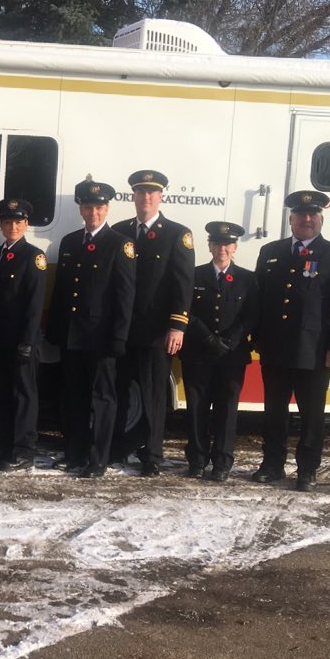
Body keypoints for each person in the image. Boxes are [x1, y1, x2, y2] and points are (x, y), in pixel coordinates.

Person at [252, 190, 330, 491]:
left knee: (311, 415)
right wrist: (257, 338)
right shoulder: (271, 252)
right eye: (300, 215)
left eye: (312, 215)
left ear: (321, 219)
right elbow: (259, 299)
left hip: (315, 351)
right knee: (274, 411)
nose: (306, 220)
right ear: (291, 219)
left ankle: (307, 470)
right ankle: (271, 464)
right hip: (274, 348)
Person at [45, 176, 135, 478]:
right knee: (75, 396)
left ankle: (99, 458)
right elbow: (61, 291)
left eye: (98, 207)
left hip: (101, 338)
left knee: (103, 399)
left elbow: (125, 296)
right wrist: (55, 327)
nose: (93, 212)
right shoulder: (70, 242)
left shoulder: (120, 245)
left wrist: (119, 336)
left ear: (106, 209)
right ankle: (75, 452)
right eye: (87, 207)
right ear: (81, 210)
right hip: (73, 335)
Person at [110, 170, 194, 475]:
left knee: (154, 394)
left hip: (156, 330)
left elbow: (183, 284)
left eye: (152, 192)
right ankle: (116, 447)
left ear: (160, 197)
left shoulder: (176, 233)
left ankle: (152, 454)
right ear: (133, 196)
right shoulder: (119, 231)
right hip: (121, 329)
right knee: (118, 389)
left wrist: (178, 325)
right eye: (140, 192)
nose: (146, 197)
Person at [180, 222, 258, 482]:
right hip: (198, 352)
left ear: (234, 248)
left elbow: (251, 316)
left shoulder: (248, 279)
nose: (222, 249)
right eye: (217, 244)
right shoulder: (194, 275)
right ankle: (197, 459)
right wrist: (207, 337)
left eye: (227, 244)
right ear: (210, 246)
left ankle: (222, 462)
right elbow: (186, 311)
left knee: (227, 409)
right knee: (197, 407)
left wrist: (229, 340)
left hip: (231, 355)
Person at [0, 199, 48, 472]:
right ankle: (2, 445)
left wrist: (28, 342)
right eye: (7, 222)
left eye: (18, 222)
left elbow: (34, 304)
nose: (13, 227)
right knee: (0, 394)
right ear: (0, 224)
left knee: (23, 396)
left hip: (21, 340)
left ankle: (23, 450)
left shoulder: (34, 257)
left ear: (26, 224)